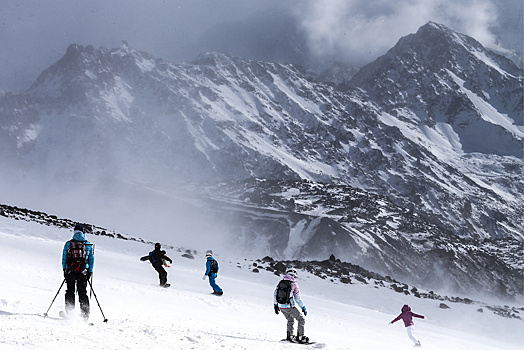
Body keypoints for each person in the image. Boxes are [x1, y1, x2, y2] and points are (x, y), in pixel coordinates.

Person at [62, 223, 95, 320]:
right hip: (83, 272)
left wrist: (64, 269)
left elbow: (64, 257)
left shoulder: (68, 244)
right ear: (83, 232)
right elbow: (91, 260)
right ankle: (85, 315)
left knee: (70, 291)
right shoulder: (88, 244)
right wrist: (90, 272)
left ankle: (69, 312)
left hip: (70, 271)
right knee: (82, 292)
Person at [274, 267, 309, 344]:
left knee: (290, 320)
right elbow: (297, 299)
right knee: (301, 319)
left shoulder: (281, 282)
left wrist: (275, 305)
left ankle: (289, 336)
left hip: (281, 306)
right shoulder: (294, 285)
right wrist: (303, 307)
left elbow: (275, 294)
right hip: (289, 307)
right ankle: (300, 337)